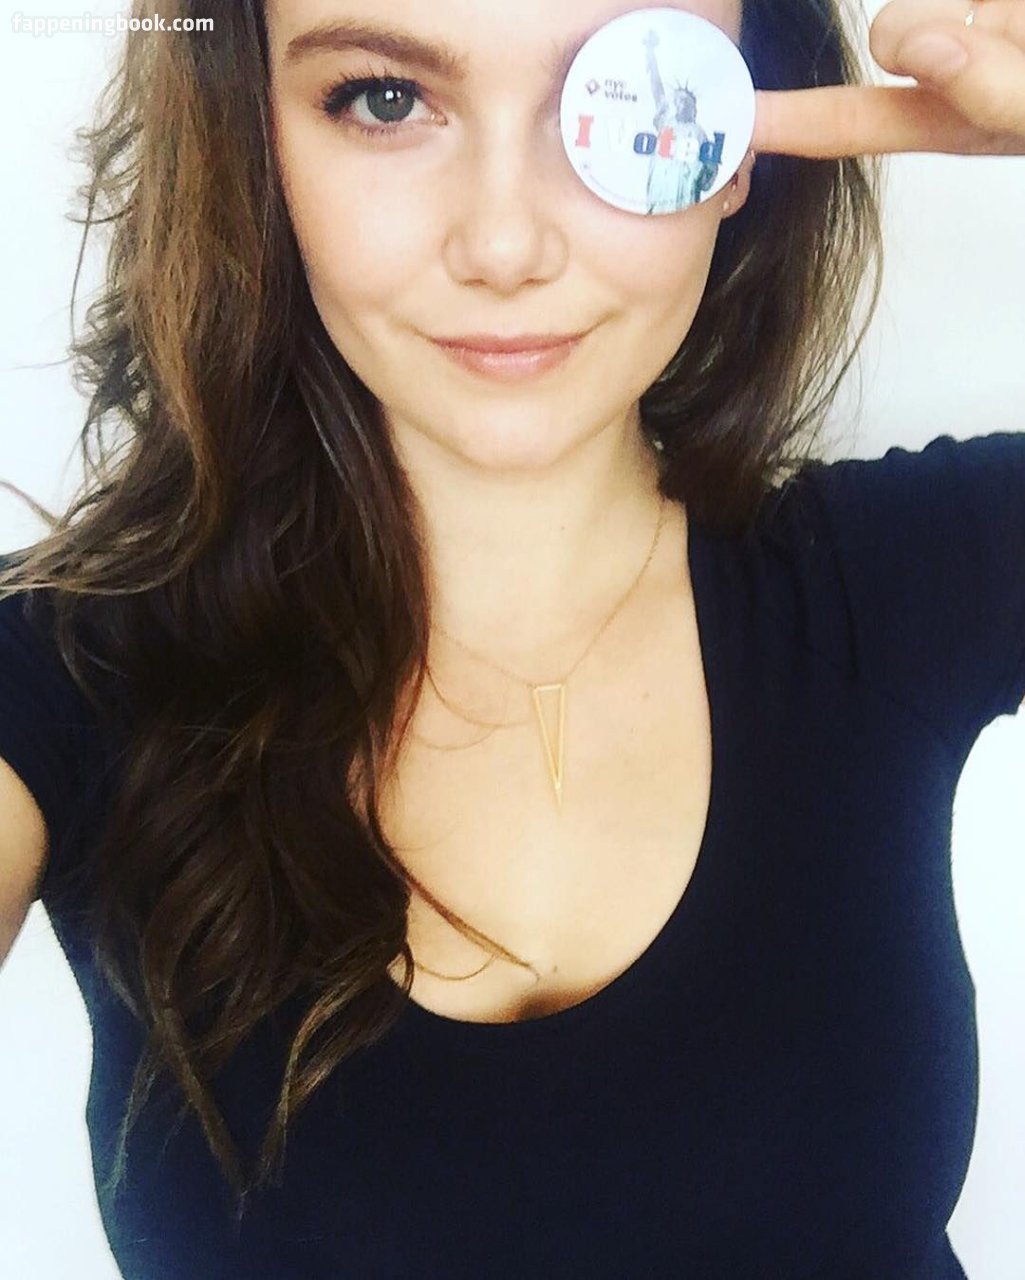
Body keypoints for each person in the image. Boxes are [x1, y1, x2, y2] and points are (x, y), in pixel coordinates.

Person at [1, 0, 1023, 1275]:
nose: (502, 243)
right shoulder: (66, 672)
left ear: (740, 143)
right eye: (383, 99)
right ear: (255, 132)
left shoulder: (907, 573)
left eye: (623, 95)